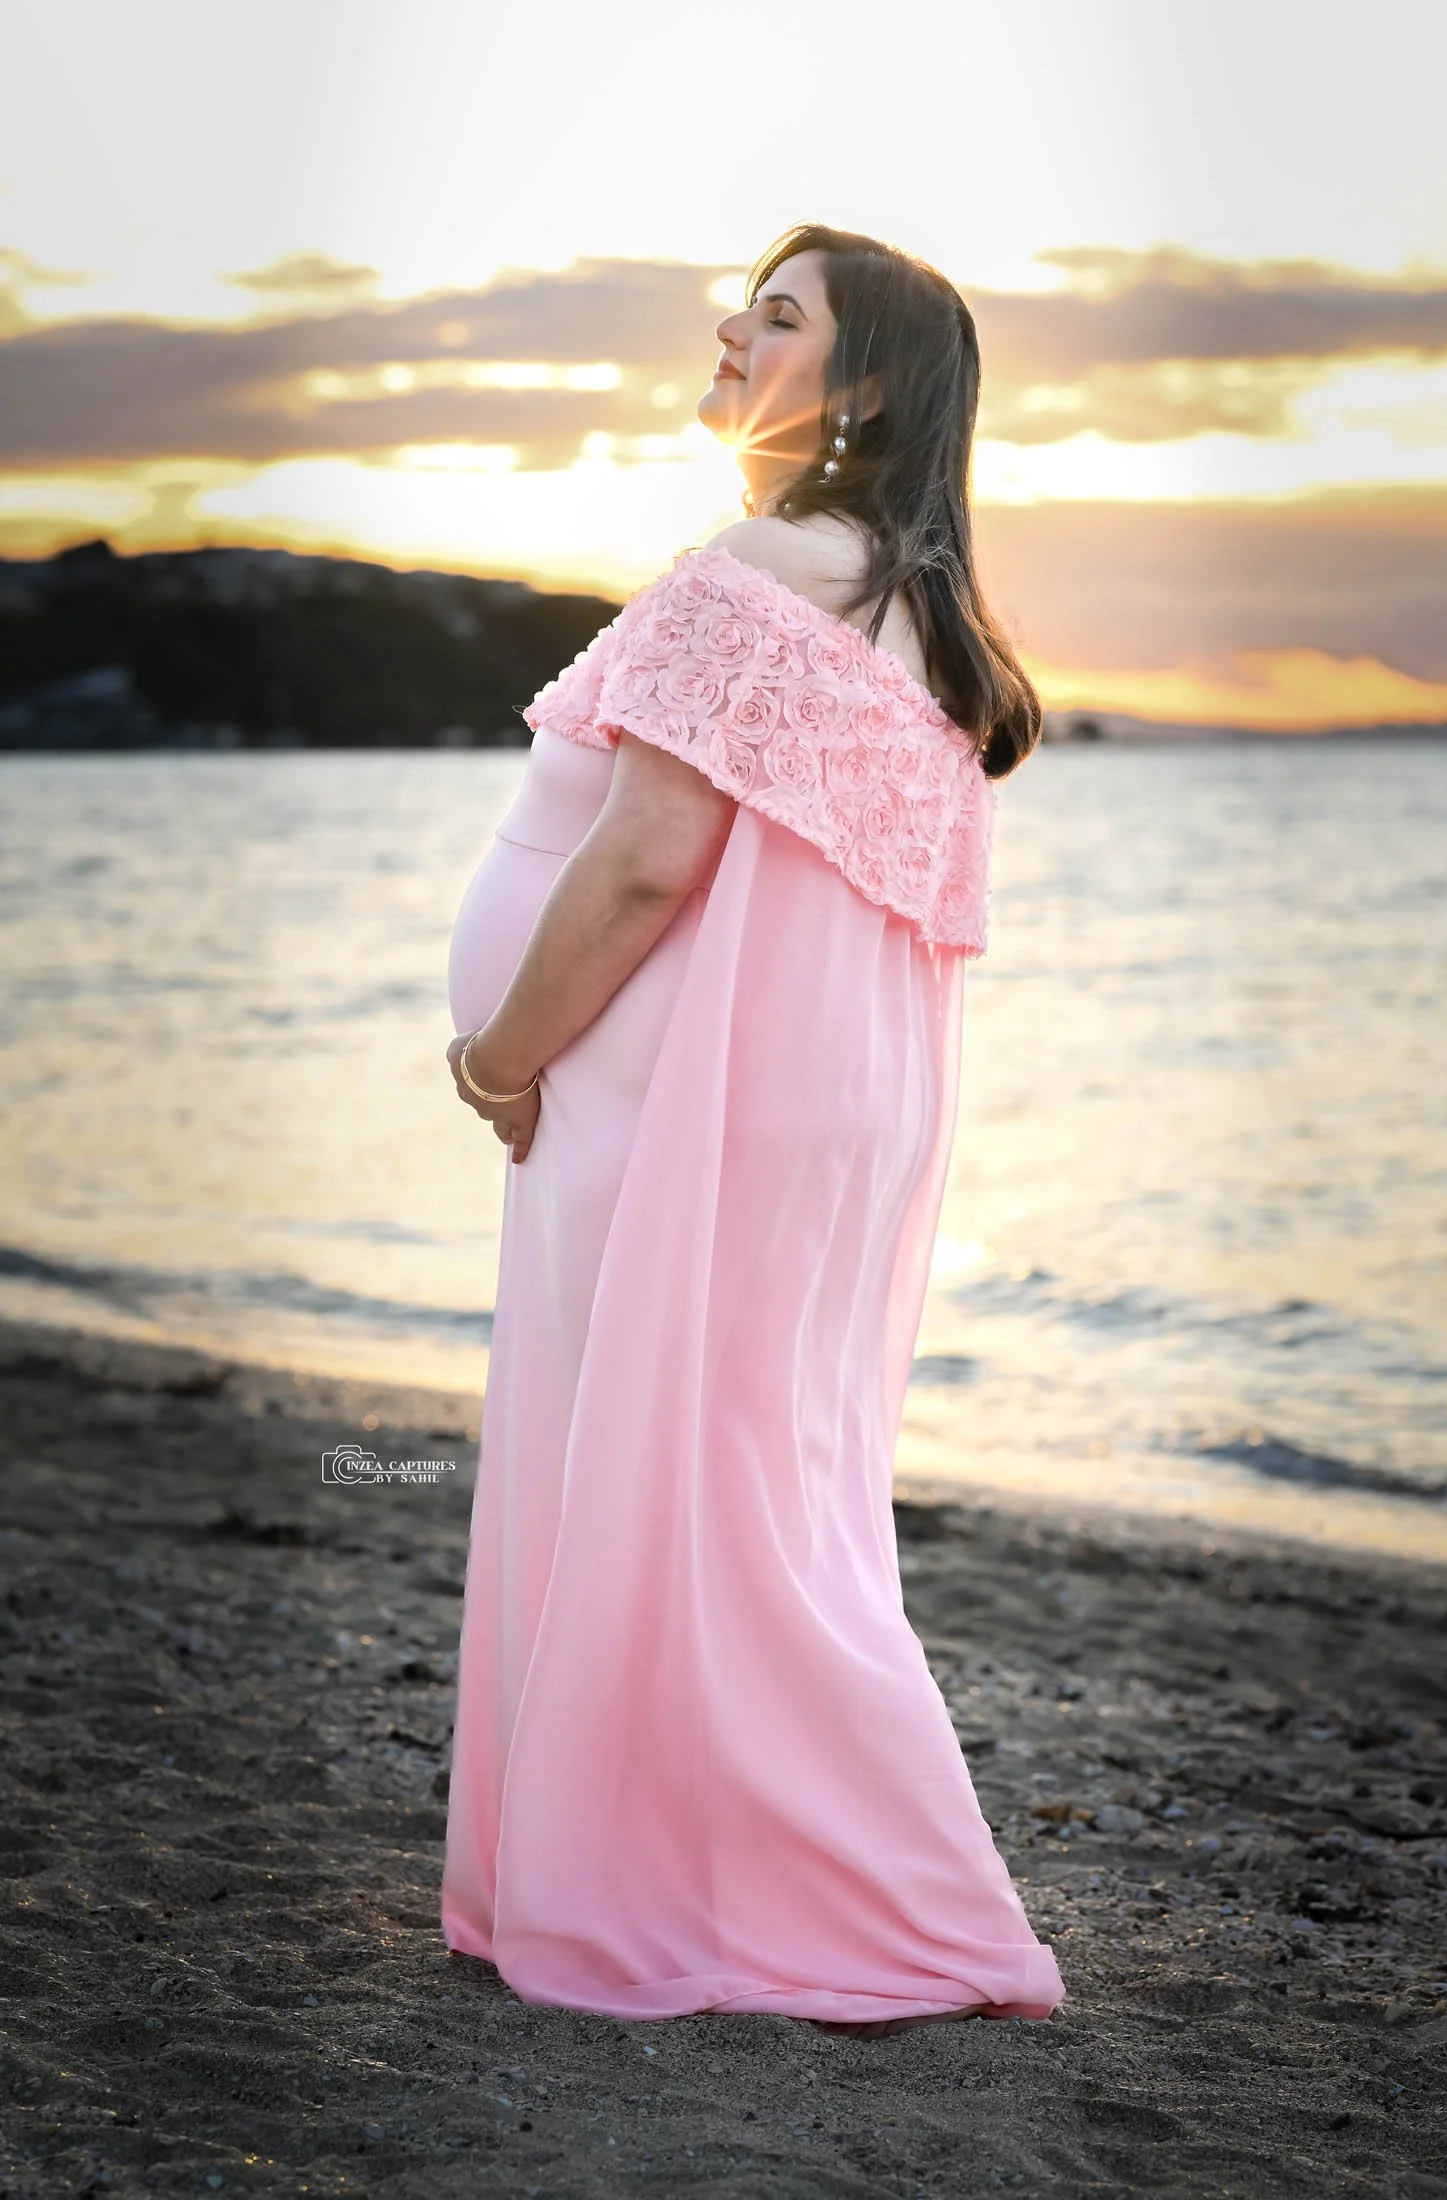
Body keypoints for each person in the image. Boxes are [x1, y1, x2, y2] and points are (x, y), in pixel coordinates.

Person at [439, 222, 1065, 2036]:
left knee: (669, 1486)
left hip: (677, 1105)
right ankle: (702, 1863)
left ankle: (889, 1903)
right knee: (754, 1496)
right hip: (808, 1112)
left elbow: (643, 858)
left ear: (858, 385)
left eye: (777, 317)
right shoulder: (922, 612)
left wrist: (503, 1056)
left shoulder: (751, 570)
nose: (732, 326)